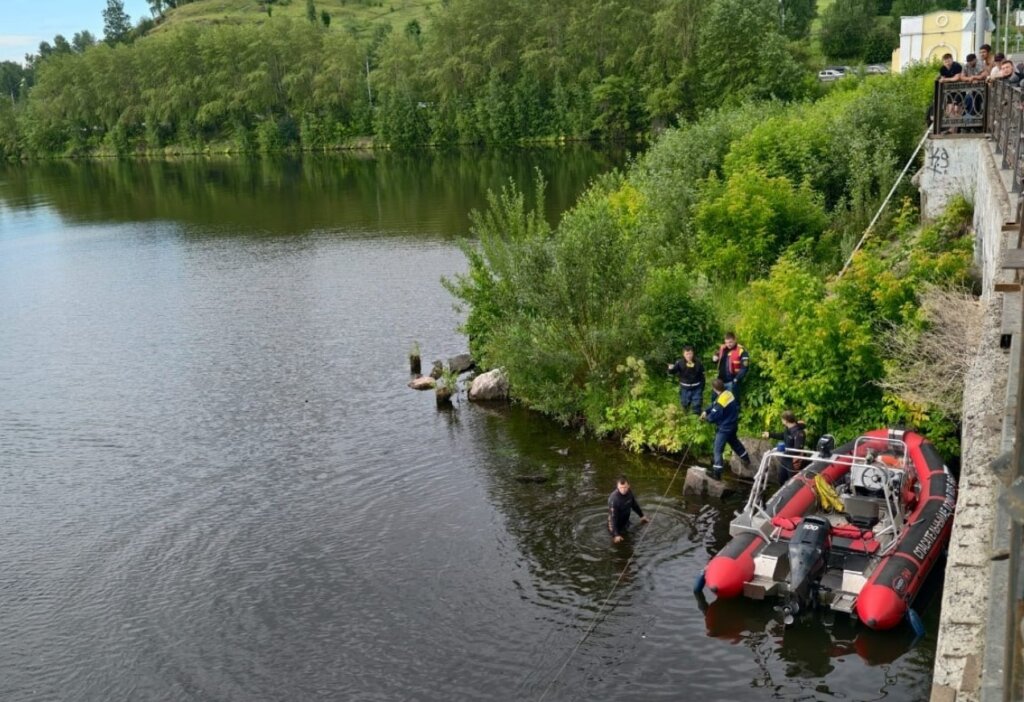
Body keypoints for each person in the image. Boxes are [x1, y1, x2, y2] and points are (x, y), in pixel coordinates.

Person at [701, 378, 751, 481]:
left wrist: (706, 418)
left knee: (717, 449)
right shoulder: (728, 393)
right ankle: (746, 459)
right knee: (734, 442)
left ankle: (717, 474)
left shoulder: (721, 401)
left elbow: (714, 415)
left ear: (714, 389)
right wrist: (706, 411)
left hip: (724, 428)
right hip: (732, 425)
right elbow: (714, 404)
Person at [761, 411, 807, 484]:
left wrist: (783, 450)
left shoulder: (799, 433)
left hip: (793, 461)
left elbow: (798, 449)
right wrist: (769, 434)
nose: (781, 421)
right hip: (785, 459)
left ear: (786, 420)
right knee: (781, 478)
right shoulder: (787, 429)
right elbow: (782, 435)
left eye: (782, 419)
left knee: (792, 482)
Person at [608, 476, 648, 543]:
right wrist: (616, 534)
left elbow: (634, 505)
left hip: (626, 521)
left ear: (629, 486)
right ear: (617, 487)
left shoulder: (629, 492)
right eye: (621, 487)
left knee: (632, 539)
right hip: (615, 525)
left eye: (625, 487)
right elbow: (613, 518)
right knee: (618, 544)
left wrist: (642, 516)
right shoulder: (614, 499)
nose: (623, 490)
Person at [667, 345, 705, 416]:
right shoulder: (679, 362)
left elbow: (702, 376)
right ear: (683, 354)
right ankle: (686, 418)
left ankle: (697, 418)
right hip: (685, 388)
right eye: (687, 354)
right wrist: (670, 369)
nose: (689, 356)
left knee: (697, 405)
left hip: (696, 387)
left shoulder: (698, 362)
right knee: (685, 405)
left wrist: (702, 387)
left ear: (693, 353)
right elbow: (673, 372)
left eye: (690, 353)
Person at [712, 332, 749, 399]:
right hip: (720, 380)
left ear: (735, 340)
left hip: (732, 381)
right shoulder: (722, 348)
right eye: (726, 342)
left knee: (732, 401)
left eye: (730, 342)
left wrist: (736, 379)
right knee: (715, 399)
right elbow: (717, 360)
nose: (728, 344)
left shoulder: (742, 351)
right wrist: (714, 359)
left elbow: (744, 368)